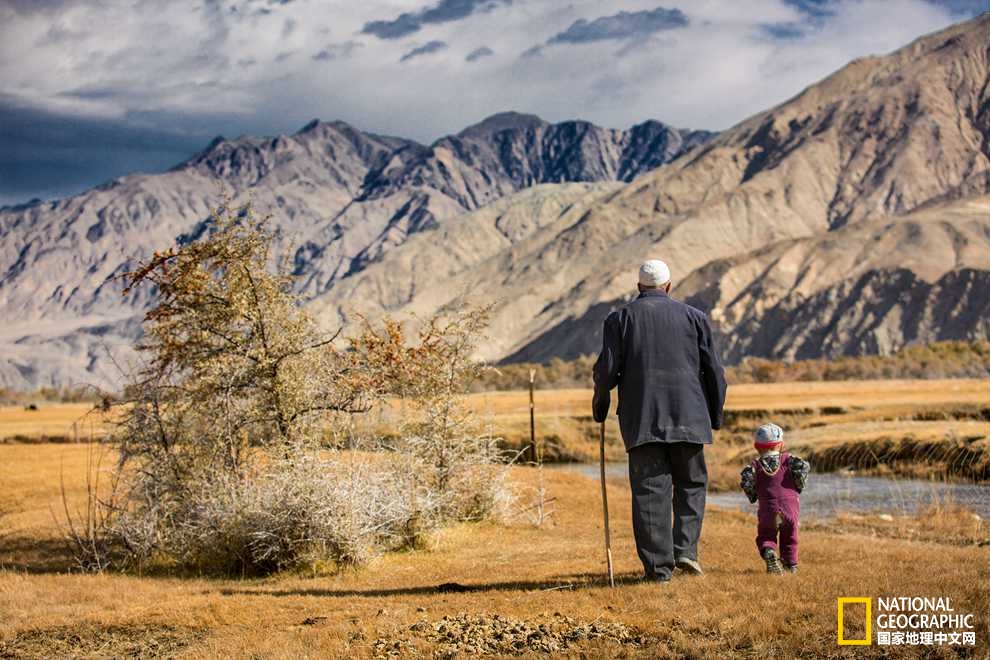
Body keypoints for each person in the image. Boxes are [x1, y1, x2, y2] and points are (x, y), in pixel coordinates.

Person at [592, 259, 727, 582]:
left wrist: (600, 405)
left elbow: (607, 371)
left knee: (650, 491)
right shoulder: (695, 319)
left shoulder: (619, 319)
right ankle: (685, 551)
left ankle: (658, 569)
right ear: (669, 286)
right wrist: (715, 416)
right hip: (691, 417)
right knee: (691, 486)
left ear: (639, 287)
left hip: (642, 420)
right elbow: (715, 372)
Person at [740, 423, 810, 574]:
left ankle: (769, 551)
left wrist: (753, 495)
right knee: (790, 537)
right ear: (781, 444)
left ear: (756, 447)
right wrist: (798, 485)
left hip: (768, 508)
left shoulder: (754, 466)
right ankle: (790, 565)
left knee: (766, 535)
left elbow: (746, 480)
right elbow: (804, 467)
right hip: (790, 508)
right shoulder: (789, 460)